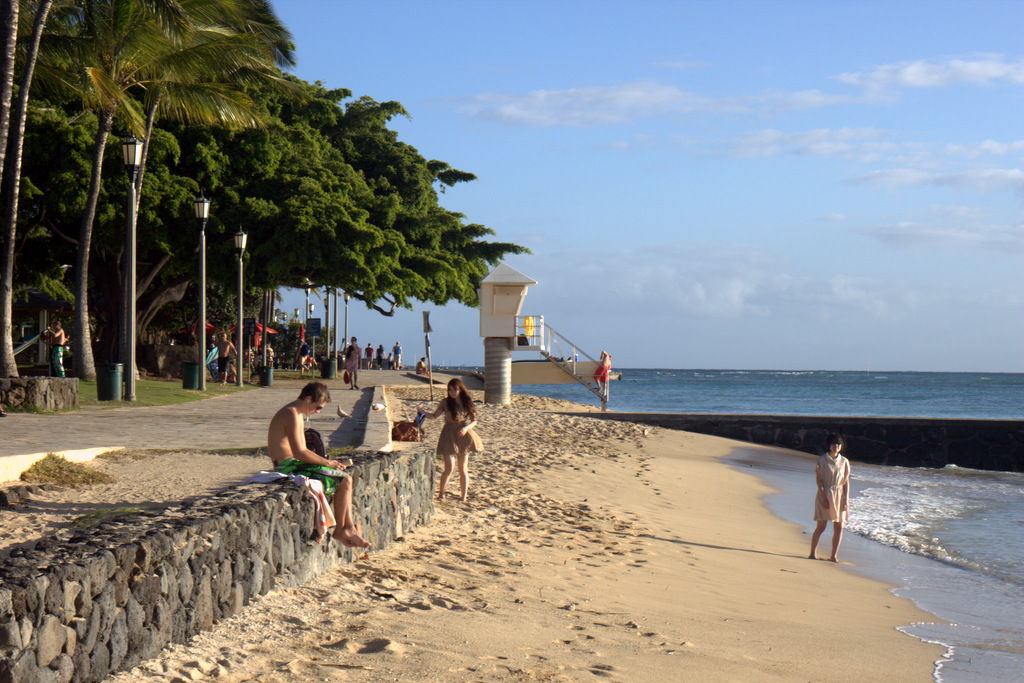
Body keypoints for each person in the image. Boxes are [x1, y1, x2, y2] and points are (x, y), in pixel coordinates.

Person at [267, 382, 370, 548]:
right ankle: (343, 530)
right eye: (318, 407)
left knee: (346, 479)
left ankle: (348, 527)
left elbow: (301, 452)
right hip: (288, 467)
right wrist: (328, 462)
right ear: (308, 399)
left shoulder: (296, 413)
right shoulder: (291, 414)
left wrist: (327, 463)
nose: (318, 411)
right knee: (345, 480)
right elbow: (300, 452)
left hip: (295, 464)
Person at [421, 378, 483, 502]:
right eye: (450, 390)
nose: (452, 392)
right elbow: (434, 416)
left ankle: (463, 496)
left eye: (455, 390)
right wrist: (422, 413)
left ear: (460, 389)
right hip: (448, 434)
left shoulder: (467, 402)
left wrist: (466, 428)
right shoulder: (445, 402)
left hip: (463, 434)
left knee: (463, 468)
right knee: (449, 467)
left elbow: (474, 420)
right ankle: (441, 494)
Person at [809, 433, 851, 562]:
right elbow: (819, 480)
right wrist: (823, 496)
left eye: (838, 444)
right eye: (833, 443)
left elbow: (846, 482)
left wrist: (846, 500)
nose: (836, 446)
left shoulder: (844, 461)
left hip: (839, 495)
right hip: (825, 492)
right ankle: (812, 554)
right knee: (821, 526)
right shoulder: (821, 460)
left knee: (839, 527)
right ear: (828, 445)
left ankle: (833, 556)